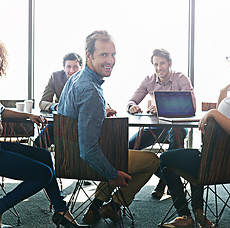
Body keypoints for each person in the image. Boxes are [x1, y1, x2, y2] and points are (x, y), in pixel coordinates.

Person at [0, 34, 89, 228]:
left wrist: (28, 116)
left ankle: (61, 211)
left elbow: (1, 111)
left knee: (45, 156)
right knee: (44, 174)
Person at [159, 38, 230, 228]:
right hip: (228, 159)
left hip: (222, 163)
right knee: (190, 159)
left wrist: (213, 113)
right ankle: (198, 214)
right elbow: (226, 116)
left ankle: (186, 216)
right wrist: (224, 91)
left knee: (166, 158)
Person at [58, 30, 160, 224]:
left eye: (113, 54)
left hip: (67, 155)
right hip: (81, 161)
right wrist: (113, 175)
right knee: (153, 160)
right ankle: (114, 206)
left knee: (113, 155)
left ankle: (95, 208)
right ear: (88, 55)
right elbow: (88, 151)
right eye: (103, 54)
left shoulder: (76, 78)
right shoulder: (91, 91)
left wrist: (100, 112)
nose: (110, 60)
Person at [127, 48, 196, 200]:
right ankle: (165, 177)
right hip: (156, 127)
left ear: (170, 63)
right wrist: (132, 106)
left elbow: (191, 106)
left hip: (177, 125)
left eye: (162, 63)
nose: (159, 68)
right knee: (130, 147)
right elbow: (132, 100)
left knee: (176, 133)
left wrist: (161, 107)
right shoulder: (148, 80)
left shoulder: (181, 78)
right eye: (155, 65)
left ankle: (165, 182)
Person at [36, 53, 83, 145]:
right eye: (68, 67)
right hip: (61, 122)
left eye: (75, 67)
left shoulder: (87, 79)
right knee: (45, 136)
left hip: (81, 123)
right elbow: (43, 103)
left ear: (81, 68)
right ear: (64, 67)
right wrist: (56, 106)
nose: (72, 70)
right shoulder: (55, 77)